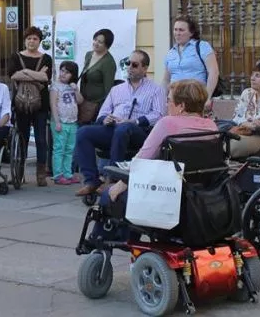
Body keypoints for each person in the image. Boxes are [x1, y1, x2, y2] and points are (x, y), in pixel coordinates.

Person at [89, 80, 218, 242]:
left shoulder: (167, 123)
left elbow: (142, 158)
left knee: (110, 194)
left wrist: (120, 184)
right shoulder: (211, 126)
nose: (166, 104)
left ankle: (101, 243)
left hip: (166, 198)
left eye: (169, 100)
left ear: (182, 106)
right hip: (198, 197)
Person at [75, 50, 166, 196]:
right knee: (83, 132)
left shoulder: (156, 90)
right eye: (127, 63)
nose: (129, 67)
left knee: (124, 127)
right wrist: (105, 119)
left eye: (134, 65)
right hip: (114, 129)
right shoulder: (116, 89)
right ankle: (92, 180)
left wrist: (135, 121)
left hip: (139, 132)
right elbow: (103, 113)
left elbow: (159, 114)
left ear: (145, 68)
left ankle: (112, 179)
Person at [9, 26, 54, 186]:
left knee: (41, 140)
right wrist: (35, 74)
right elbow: (13, 74)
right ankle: (19, 173)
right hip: (21, 104)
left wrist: (25, 73)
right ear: (25, 40)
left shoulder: (47, 58)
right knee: (23, 138)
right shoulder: (16, 56)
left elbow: (46, 77)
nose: (31, 41)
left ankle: (41, 175)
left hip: (41, 105)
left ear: (40, 41)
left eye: (35, 39)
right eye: (29, 38)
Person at [162, 16, 219, 111]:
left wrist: (207, 97)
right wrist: (162, 99)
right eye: (175, 30)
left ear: (191, 33)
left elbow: (214, 72)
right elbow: (166, 80)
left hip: (195, 98)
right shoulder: (171, 52)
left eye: (181, 30)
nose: (177, 33)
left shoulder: (202, 46)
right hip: (174, 100)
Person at [225, 61, 260, 159]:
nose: (252, 78)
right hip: (242, 131)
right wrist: (245, 123)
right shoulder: (247, 93)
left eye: (258, 76)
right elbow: (236, 118)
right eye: (252, 75)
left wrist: (253, 125)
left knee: (231, 146)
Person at [50, 61, 83, 185]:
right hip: (60, 122)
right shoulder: (55, 86)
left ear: (73, 75)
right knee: (59, 149)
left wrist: (76, 90)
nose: (63, 74)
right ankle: (58, 175)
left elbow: (80, 101)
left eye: (67, 72)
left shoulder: (73, 86)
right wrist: (57, 121)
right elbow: (53, 104)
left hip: (72, 122)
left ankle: (68, 173)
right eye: (62, 70)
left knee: (70, 149)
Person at [78, 29, 118, 125]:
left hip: (96, 105)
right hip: (83, 102)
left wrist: (103, 110)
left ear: (107, 45)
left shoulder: (108, 62)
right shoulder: (89, 55)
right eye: (95, 39)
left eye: (100, 42)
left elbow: (108, 89)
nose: (96, 43)